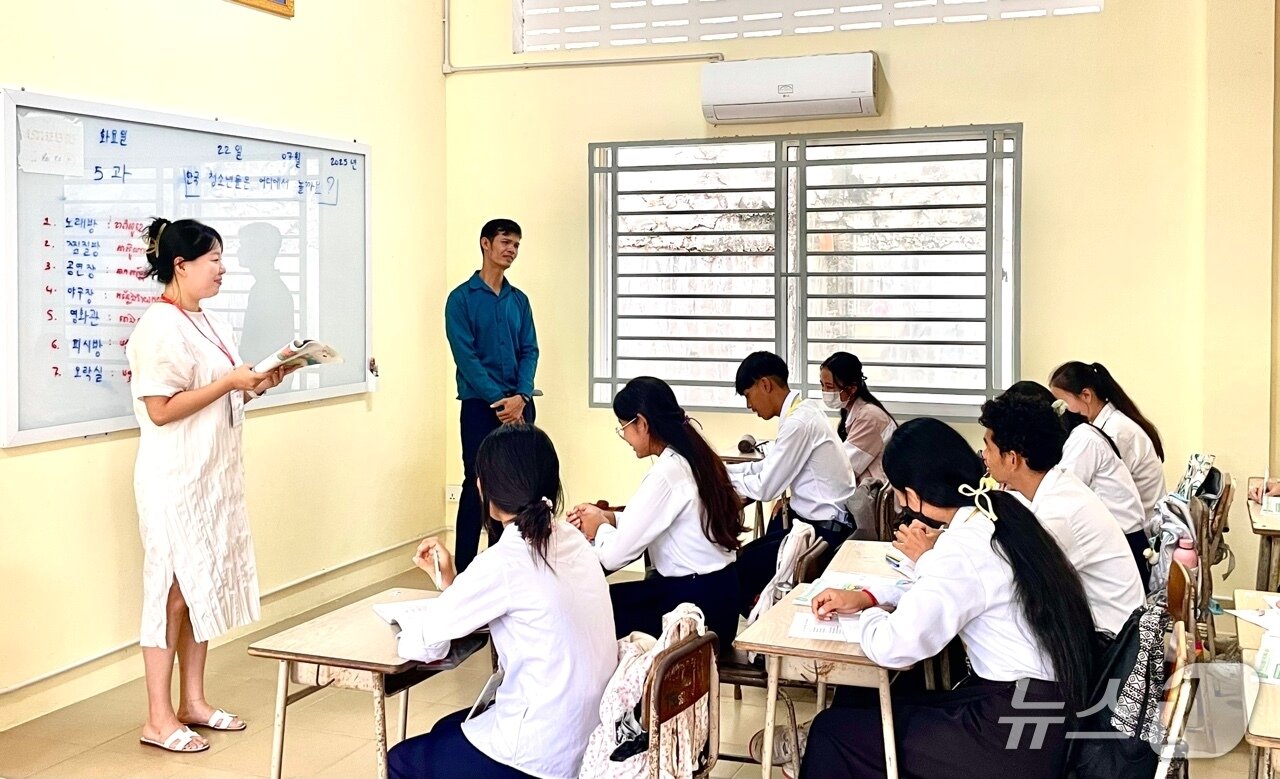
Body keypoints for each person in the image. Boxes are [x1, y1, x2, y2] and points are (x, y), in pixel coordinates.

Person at [800, 418, 1095, 779]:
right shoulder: (999, 511)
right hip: (1044, 711)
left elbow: (895, 645)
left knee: (833, 732)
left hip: (1016, 733)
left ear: (912, 494)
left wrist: (867, 617)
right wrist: (866, 597)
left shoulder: (963, 547)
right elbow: (941, 589)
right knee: (870, 704)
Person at [127, 218, 294, 754]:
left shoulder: (210, 321)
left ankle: (193, 701)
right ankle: (158, 717)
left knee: (200, 589)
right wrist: (228, 381)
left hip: (210, 477)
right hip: (174, 480)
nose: (223, 269)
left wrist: (258, 384)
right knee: (171, 595)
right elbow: (160, 410)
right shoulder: (158, 325)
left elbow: (220, 396)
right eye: (214, 260)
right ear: (181, 265)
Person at [389, 424, 616, 779]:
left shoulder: (505, 559)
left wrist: (407, 629)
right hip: (590, 736)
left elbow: (426, 643)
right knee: (445, 730)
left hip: (540, 752)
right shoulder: (571, 538)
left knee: (401, 760)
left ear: (487, 489)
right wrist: (451, 582)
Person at [566, 376, 744, 643]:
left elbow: (614, 557)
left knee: (593, 610)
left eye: (623, 426)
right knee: (612, 602)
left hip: (695, 611)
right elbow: (657, 519)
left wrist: (599, 527)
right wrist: (608, 517)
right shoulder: (693, 456)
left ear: (642, 423)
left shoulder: (665, 474)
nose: (624, 436)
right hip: (720, 598)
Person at [979, 394, 1145, 636]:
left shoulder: (1059, 513)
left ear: (1012, 458)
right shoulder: (1058, 485)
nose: (983, 454)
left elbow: (1007, 582)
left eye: (988, 446)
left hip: (1109, 649)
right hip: (1105, 631)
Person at [727, 352, 856, 617]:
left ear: (765, 385)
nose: (749, 405)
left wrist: (722, 478)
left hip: (823, 534)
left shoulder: (799, 422)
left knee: (739, 571)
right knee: (745, 560)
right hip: (821, 524)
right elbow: (766, 467)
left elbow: (766, 488)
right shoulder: (803, 411)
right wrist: (724, 472)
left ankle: (759, 640)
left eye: (748, 395)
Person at [445, 219, 539, 572]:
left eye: (516, 244)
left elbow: (530, 350)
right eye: (505, 242)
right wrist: (501, 400)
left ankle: (508, 567)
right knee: (476, 484)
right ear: (486, 244)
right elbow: (465, 358)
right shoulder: (461, 299)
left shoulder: (519, 301)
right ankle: (465, 571)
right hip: (480, 408)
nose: (511, 249)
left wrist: (522, 397)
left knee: (517, 489)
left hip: (520, 407)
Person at [1004, 380, 1151, 583]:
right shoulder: (1079, 436)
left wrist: (1018, 481)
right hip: (1118, 546)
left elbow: (1051, 497)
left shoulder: (1083, 440)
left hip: (1128, 546)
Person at [1050, 361, 1166, 518]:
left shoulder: (1115, 432)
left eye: (1064, 402)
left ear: (1086, 395)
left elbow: (1071, 486)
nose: (1062, 410)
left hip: (1140, 528)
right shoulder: (1107, 424)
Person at [819, 352, 896, 485]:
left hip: (875, 496)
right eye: (822, 385)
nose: (825, 391)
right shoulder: (852, 411)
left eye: (830, 387)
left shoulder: (870, 418)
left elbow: (844, 469)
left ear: (852, 388)